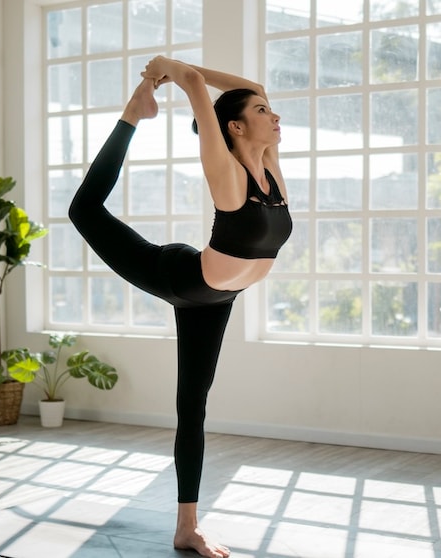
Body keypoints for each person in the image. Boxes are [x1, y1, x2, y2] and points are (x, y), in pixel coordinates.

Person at [67, 56, 291, 558]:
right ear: (234, 126)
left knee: (193, 406)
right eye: (263, 111)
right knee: (83, 209)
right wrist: (161, 72)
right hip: (180, 277)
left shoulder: (270, 170)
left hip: (217, 298)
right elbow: (193, 81)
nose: (275, 116)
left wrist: (247, 91)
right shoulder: (228, 170)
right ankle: (134, 113)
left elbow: (253, 83)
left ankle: (186, 528)